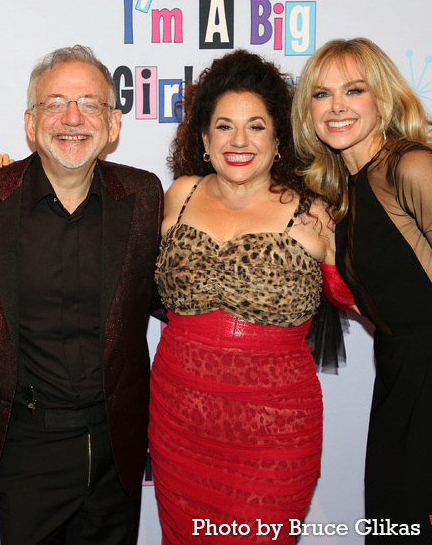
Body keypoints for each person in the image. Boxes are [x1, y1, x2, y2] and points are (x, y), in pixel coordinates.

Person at [0, 45, 163, 544]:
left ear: (113, 124)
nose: (72, 118)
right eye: (54, 103)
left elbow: (172, 293)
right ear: (30, 123)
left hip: (116, 441)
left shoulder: (143, 195)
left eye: (90, 104)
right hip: (24, 442)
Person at [148, 49, 353, 544]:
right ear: (203, 137)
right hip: (179, 419)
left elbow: (366, 297)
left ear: (279, 140)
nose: (239, 141)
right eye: (224, 126)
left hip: (275, 429)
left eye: (256, 126)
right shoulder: (180, 195)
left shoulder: (315, 215)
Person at [292, 37, 432, 543]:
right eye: (321, 94)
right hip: (399, 378)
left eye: (354, 90)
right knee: (399, 526)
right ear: (307, 110)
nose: (337, 107)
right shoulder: (348, 191)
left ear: (383, 98)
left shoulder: (409, 166)